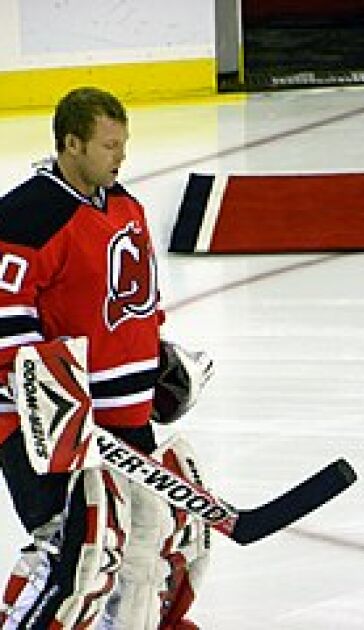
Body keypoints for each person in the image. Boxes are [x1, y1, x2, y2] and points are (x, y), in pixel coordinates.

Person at [0, 87, 212, 629]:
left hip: (123, 416)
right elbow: (6, 317)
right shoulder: (26, 217)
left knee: (145, 543)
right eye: (109, 145)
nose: (121, 156)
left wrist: (154, 364)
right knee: (70, 551)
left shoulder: (124, 206)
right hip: (48, 423)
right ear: (71, 144)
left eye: (123, 144)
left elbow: (138, 305)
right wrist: (40, 392)